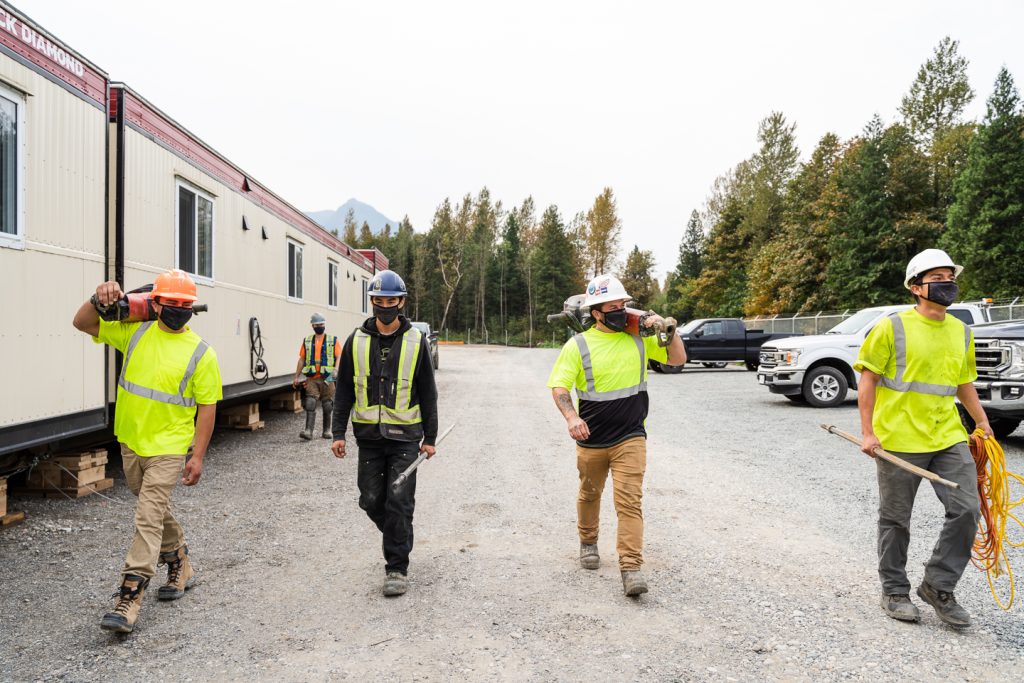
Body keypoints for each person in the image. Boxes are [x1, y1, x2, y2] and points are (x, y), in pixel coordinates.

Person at [72, 269, 222, 633]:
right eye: (169, 303)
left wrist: (197, 455)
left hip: (169, 448)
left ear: (191, 308)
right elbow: (81, 322)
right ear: (155, 303)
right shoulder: (135, 333)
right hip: (130, 441)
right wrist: (99, 297)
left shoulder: (202, 354)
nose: (176, 310)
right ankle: (180, 561)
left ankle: (129, 595)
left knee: (147, 516)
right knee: (150, 507)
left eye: (183, 305)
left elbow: (207, 408)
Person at [854, 248, 989, 627]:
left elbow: (964, 383)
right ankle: (894, 589)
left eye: (951, 277)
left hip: (947, 435)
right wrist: (868, 431)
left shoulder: (961, 331)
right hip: (898, 439)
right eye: (938, 278)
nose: (948, 284)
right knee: (896, 519)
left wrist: (982, 422)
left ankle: (938, 586)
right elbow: (868, 380)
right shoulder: (891, 326)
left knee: (967, 510)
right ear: (916, 287)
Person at [547, 274, 686, 596]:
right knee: (589, 494)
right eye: (614, 306)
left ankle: (631, 568)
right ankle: (588, 541)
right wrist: (571, 417)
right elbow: (559, 386)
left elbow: (678, 359)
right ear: (597, 312)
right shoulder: (578, 345)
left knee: (629, 502)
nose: (622, 311)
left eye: (624, 305)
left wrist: (669, 330)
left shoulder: (639, 339)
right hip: (592, 439)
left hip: (631, 436)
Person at [330, 270, 438, 596]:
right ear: (372, 302)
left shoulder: (417, 342)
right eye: (379, 301)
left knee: (400, 502)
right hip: (369, 439)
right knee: (371, 499)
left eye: (391, 301)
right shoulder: (356, 341)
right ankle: (398, 534)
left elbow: (428, 393)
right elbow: (344, 390)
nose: (385, 306)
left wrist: (430, 439)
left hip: (406, 438)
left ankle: (396, 567)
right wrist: (338, 432)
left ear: (401, 302)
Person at [293, 312, 341, 440]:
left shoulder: (333, 340)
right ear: (313, 326)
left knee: (327, 404)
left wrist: (336, 370)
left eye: (321, 324)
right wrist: (296, 376)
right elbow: (301, 360)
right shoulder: (307, 341)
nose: (320, 326)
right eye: (317, 325)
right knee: (310, 402)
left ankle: (327, 430)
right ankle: (308, 431)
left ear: (324, 325)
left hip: (328, 377)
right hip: (312, 378)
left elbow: (339, 357)